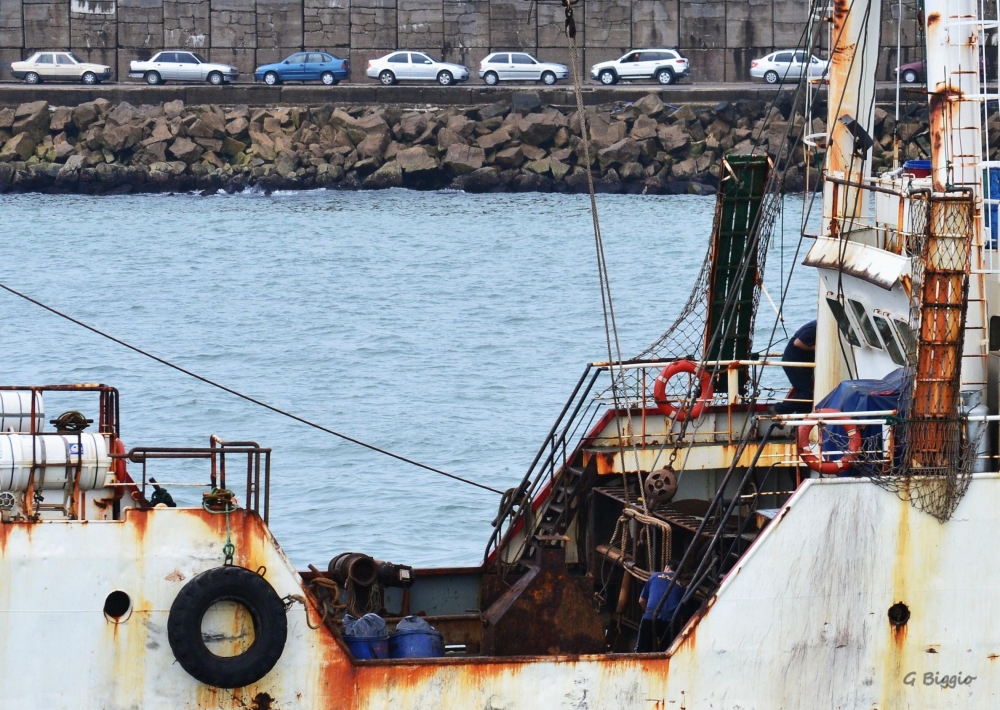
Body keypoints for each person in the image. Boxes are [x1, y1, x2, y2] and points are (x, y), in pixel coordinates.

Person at [635, 564, 685, 653]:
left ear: (667, 567)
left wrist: (649, 612)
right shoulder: (682, 586)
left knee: (642, 652)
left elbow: (641, 601)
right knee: (667, 652)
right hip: (669, 622)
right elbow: (681, 614)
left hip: (650, 617)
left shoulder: (655, 576)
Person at [774, 320, 817, 414]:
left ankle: (801, 420)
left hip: (802, 362)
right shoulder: (815, 327)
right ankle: (779, 410)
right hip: (794, 361)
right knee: (807, 393)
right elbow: (798, 343)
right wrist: (818, 348)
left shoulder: (816, 324)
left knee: (807, 394)